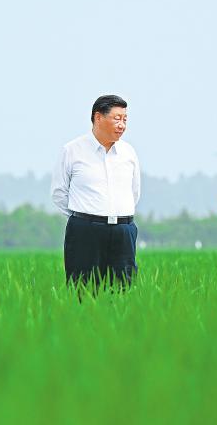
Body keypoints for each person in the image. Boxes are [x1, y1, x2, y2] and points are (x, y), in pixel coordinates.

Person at [51, 95, 141, 289]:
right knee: (83, 290)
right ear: (98, 117)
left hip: (124, 231)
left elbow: (134, 192)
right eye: (117, 118)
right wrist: (85, 217)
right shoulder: (72, 150)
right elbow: (59, 193)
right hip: (85, 232)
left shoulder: (128, 153)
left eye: (125, 119)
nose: (122, 125)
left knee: (124, 291)